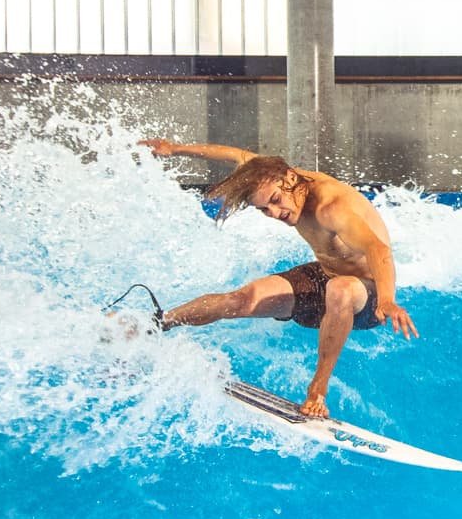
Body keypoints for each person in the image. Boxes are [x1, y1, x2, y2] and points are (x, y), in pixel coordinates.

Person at [137, 139, 417, 418]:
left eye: (275, 201)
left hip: (367, 298)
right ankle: (157, 324)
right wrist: (174, 150)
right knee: (240, 299)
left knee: (340, 288)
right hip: (327, 277)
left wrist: (388, 301)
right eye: (264, 210)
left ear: (291, 178)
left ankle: (317, 390)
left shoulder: (331, 207)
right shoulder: (273, 175)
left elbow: (377, 248)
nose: (275, 213)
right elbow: (236, 154)